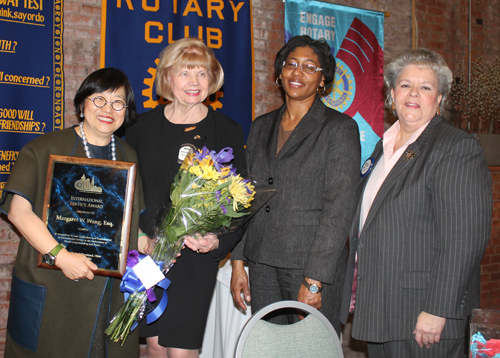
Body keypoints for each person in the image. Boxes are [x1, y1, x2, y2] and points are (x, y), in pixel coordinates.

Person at [339, 48, 493, 357]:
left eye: (426, 87)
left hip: (423, 315)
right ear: (392, 93)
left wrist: (438, 309)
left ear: (439, 99)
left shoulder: (455, 148)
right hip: (381, 309)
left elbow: (464, 240)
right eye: (406, 84)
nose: (413, 93)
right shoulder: (383, 149)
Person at [0, 68, 146, 357]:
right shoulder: (44, 148)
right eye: (99, 99)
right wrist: (60, 256)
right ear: (82, 104)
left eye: (118, 102)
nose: (108, 109)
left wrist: (153, 245)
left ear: (126, 111)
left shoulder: (129, 156)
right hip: (55, 284)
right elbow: (18, 212)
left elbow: (130, 225)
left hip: (109, 291)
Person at [230, 35, 361, 334]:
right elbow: (245, 195)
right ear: (279, 73)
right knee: (270, 348)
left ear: (322, 80)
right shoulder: (261, 125)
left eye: (309, 67)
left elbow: (339, 208)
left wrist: (314, 280)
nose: (297, 72)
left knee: (312, 349)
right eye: (291, 64)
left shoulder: (339, 129)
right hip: (261, 261)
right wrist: (238, 260)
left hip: (308, 266)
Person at [125, 37, 246, 358]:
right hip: (147, 255)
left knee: (181, 352)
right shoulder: (140, 127)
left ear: (213, 79)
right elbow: (126, 190)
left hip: (195, 259)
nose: (194, 82)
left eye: (202, 74)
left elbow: (241, 202)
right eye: (184, 73)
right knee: (152, 347)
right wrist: (137, 237)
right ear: (167, 78)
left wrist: (217, 242)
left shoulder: (227, 130)